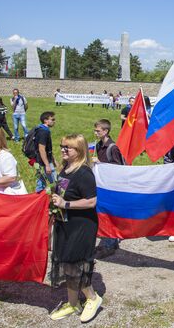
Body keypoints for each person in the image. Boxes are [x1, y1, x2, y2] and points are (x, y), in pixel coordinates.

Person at [49, 134, 102, 322]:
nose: (63, 149)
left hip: (82, 225)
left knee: (76, 263)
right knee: (66, 262)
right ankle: (72, 303)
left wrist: (66, 204)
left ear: (78, 151)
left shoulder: (84, 173)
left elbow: (92, 201)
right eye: (62, 145)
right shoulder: (65, 168)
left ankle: (93, 298)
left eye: (67, 147)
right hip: (64, 223)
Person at [93, 119, 124, 258]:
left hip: (112, 186)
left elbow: (118, 168)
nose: (95, 133)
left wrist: (100, 163)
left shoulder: (113, 147)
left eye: (98, 131)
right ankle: (108, 240)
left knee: (111, 213)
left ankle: (111, 243)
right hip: (102, 185)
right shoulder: (99, 145)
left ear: (106, 131)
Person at [36, 112, 57, 192]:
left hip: (39, 160)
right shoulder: (44, 132)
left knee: (41, 182)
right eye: (52, 119)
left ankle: (39, 199)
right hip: (44, 161)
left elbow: (48, 149)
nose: (54, 121)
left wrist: (53, 159)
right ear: (45, 120)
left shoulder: (41, 129)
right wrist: (47, 165)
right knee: (56, 181)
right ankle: (60, 199)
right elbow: (42, 149)